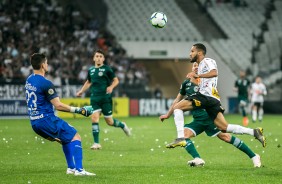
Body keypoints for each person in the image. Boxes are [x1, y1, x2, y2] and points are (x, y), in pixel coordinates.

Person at [160, 43, 266, 148]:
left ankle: (180, 138)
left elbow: (214, 73)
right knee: (224, 127)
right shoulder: (199, 67)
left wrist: (198, 75)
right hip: (212, 99)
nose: (190, 54)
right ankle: (254, 132)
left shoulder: (207, 61)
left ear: (200, 52)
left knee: (178, 107)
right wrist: (168, 115)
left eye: (192, 51)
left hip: (206, 97)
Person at [160, 62, 261, 167]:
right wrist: (168, 114)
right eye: (194, 66)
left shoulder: (206, 82)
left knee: (226, 137)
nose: (196, 67)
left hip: (209, 117)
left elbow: (214, 98)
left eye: (198, 66)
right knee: (184, 136)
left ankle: (254, 156)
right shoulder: (186, 84)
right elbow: (177, 100)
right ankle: (198, 159)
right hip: (198, 120)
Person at [25, 53, 95, 176]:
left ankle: (71, 168)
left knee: (65, 139)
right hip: (46, 119)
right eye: (46, 63)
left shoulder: (29, 79)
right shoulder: (46, 83)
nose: (47, 65)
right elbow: (58, 105)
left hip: (34, 122)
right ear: (42, 65)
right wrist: (80, 110)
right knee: (75, 136)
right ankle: (79, 170)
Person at [76, 49, 131, 150]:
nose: (98, 58)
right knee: (94, 118)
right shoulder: (91, 70)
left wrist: (111, 87)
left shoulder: (107, 69)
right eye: (97, 56)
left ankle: (122, 125)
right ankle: (96, 143)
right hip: (95, 98)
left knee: (109, 122)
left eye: (100, 56)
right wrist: (81, 91)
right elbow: (88, 82)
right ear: (94, 58)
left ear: (103, 59)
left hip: (106, 98)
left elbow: (116, 80)